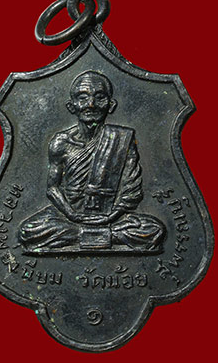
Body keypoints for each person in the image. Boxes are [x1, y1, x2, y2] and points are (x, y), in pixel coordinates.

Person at [18, 71, 165, 252]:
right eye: (83, 98)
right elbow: (52, 188)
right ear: (71, 106)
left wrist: (111, 216)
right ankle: (104, 236)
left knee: (154, 230)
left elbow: (131, 190)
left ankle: (83, 236)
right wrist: (72, 215)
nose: (91, 104)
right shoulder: (60, 142)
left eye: (100, 97)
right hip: (69, 216)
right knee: (28, 231)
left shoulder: (122, 138)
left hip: (112, 217)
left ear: (111, 105)